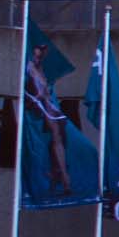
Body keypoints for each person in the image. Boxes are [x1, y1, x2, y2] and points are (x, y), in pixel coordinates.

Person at [24, 42, 73, 193]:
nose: (41, 54)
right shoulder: (31, 67)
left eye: (42, 52)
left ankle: (59, 172)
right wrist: (36, 98)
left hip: (46, 105)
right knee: (57, 135)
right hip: (39, 106)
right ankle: (62, 176)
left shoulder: (39, 67)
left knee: (59, 135)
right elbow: (37, 90)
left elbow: (43, 89)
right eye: (39, 51)